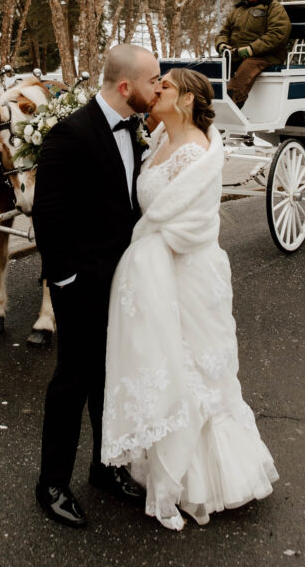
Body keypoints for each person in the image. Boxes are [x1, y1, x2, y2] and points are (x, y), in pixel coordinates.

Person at [102, 68, 278, 531]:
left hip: (188, 276)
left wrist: (146, 247)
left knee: (196, 370)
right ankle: (161, 459)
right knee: (165, 366)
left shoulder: (198, 152)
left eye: (164, 87)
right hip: (157, 273)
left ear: (184, 101)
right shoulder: (159, 140)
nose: (155, 91)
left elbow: (195, 227)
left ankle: (204, 479)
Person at [32, 44, 162, 528]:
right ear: (126, 87)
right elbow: (48, 216)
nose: (159, 86)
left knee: (112, 379)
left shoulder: (138, 129)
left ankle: (106, 468)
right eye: (153, 79)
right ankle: (52, 484)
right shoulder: (70, 135)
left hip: (126, 280)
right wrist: (64, 279)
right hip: (81, 283)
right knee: (73, 380)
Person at [215, 0, 291, 107]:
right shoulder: (238, 10)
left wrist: (251, 49)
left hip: (267, 56)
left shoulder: (274, 8)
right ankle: (209, 101)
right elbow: (224, 32)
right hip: (237, 54)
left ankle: (232, 105)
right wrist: (222, 45)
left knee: (248, 66)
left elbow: (278, 34)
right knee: (213, 66)